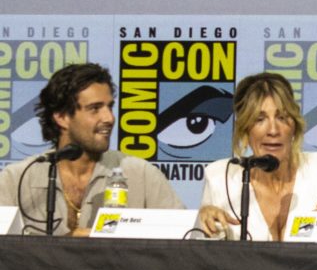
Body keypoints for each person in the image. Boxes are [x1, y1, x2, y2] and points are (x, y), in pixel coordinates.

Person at [0, 63, 184, 236]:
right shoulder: (16, 180)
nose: (109, 118)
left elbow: (182, 242)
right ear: (62, 117)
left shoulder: (141, 175)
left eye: (110, 107)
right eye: (95, 108)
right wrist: (64, 245)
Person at [198, 72, 317, 241]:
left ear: (294, 127)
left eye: (282, 117)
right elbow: (203, 258)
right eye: (259, 119)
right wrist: (203, 226)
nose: (273, 130)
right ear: (245, 131)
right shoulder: (220, 177)